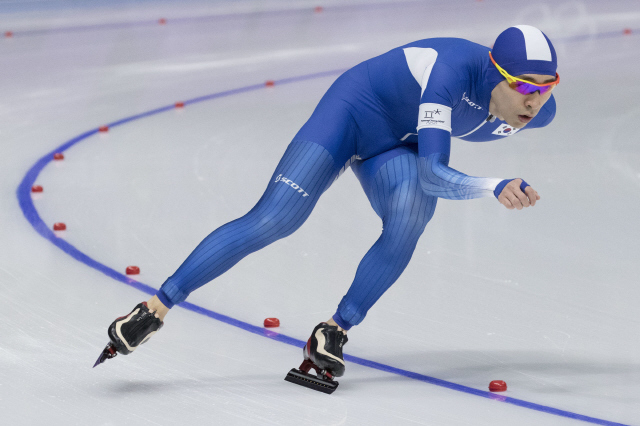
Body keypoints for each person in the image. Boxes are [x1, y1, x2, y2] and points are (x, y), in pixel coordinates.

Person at [97, 25, 559, 390]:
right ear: (496, 72)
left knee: (412, 216)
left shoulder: (538, 110)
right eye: (525, 87)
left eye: (548, 87)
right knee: (276, 217)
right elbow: (434, 173)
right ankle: (153, 309)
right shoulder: (450, 74)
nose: (536, 101)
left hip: (396, 146)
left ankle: (334, 329)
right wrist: (493, 185)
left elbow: (424, 181)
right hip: (353, 111)